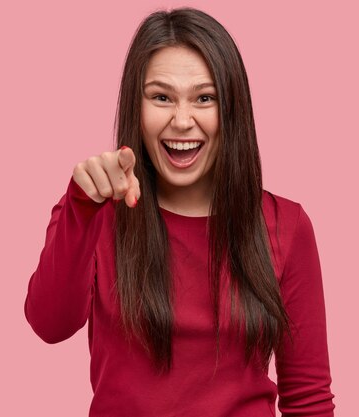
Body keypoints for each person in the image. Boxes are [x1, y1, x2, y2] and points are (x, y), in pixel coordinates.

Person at [23, 6, 336, 417]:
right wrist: (82, 209)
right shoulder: (93, 211)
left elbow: (308, 399)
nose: (182, 120)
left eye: (205, 98)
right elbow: (50, 325)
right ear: (137, 106)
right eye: (161, 97)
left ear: (232, 111)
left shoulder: (286, 226)